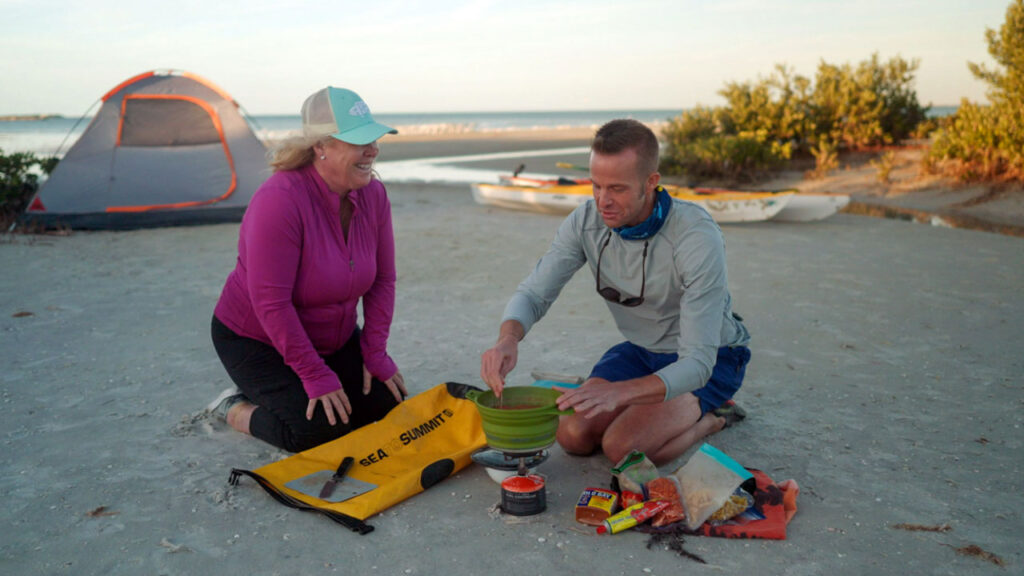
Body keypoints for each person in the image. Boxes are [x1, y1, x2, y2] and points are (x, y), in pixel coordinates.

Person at [480, 119, 751, 466]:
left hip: (711, 358)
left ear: (651, 182)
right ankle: (649, 409)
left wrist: (619, 392)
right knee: (572, 436)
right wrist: (508, 339)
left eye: (617, 189)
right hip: (641, 351)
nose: (603, 201)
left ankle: (711, 420)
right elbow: (534, 293)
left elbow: (698, 363)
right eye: (596, 185)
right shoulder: (585, 221)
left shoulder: (695, 235)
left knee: (622, 449)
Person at [207, 86, 406, 452]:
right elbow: (271, 304)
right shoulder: (279, 201)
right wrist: (315, 375)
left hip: (334, 337)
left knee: (387, 407)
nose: (373, 150)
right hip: (257, 340)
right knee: (319, 432)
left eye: (373, 138)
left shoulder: (374, 195)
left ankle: (310, 381)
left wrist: (373, 351)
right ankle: (233, 408)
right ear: (321, 146)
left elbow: (383, 280)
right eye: (359, 141)